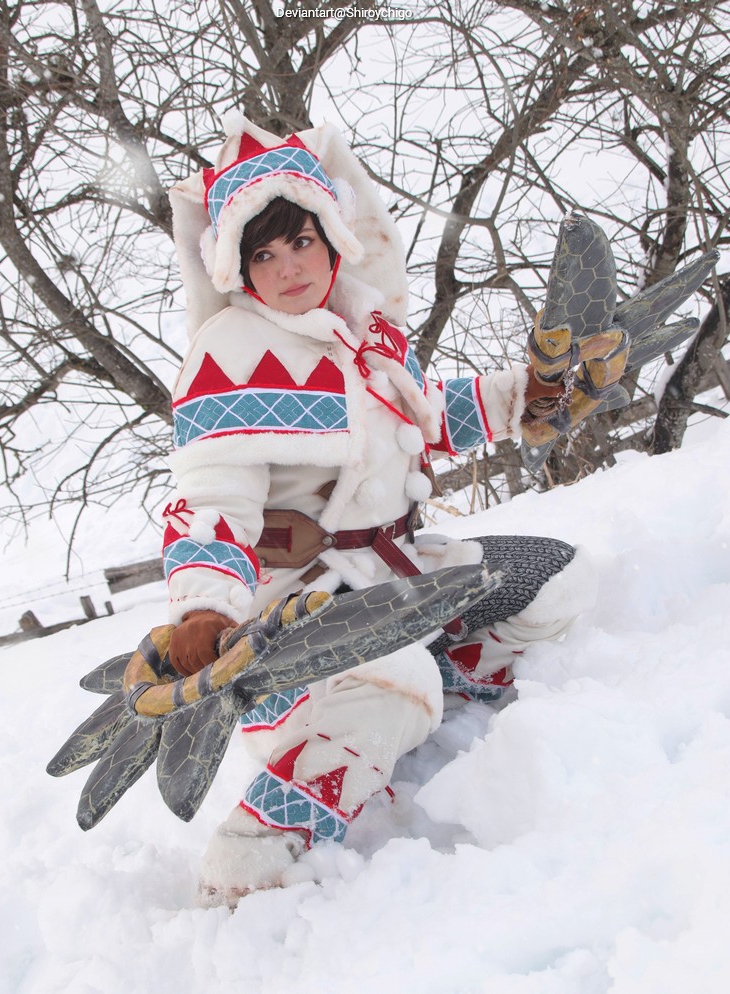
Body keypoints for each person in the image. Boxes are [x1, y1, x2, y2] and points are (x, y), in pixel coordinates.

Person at [163, 114, 596, 907]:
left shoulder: (368, 333)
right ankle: (251, 853)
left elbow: (425, 419)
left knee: (558, 579)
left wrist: (528, 396)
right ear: (237, 269)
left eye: (299, 241)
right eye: (262, 253)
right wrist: (201, 611)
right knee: (397, 680)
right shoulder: (230, 353)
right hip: (287, 630)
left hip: (400, 584)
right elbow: (210, 502)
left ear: (331, 236)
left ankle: (430, 696)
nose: (288, 267)